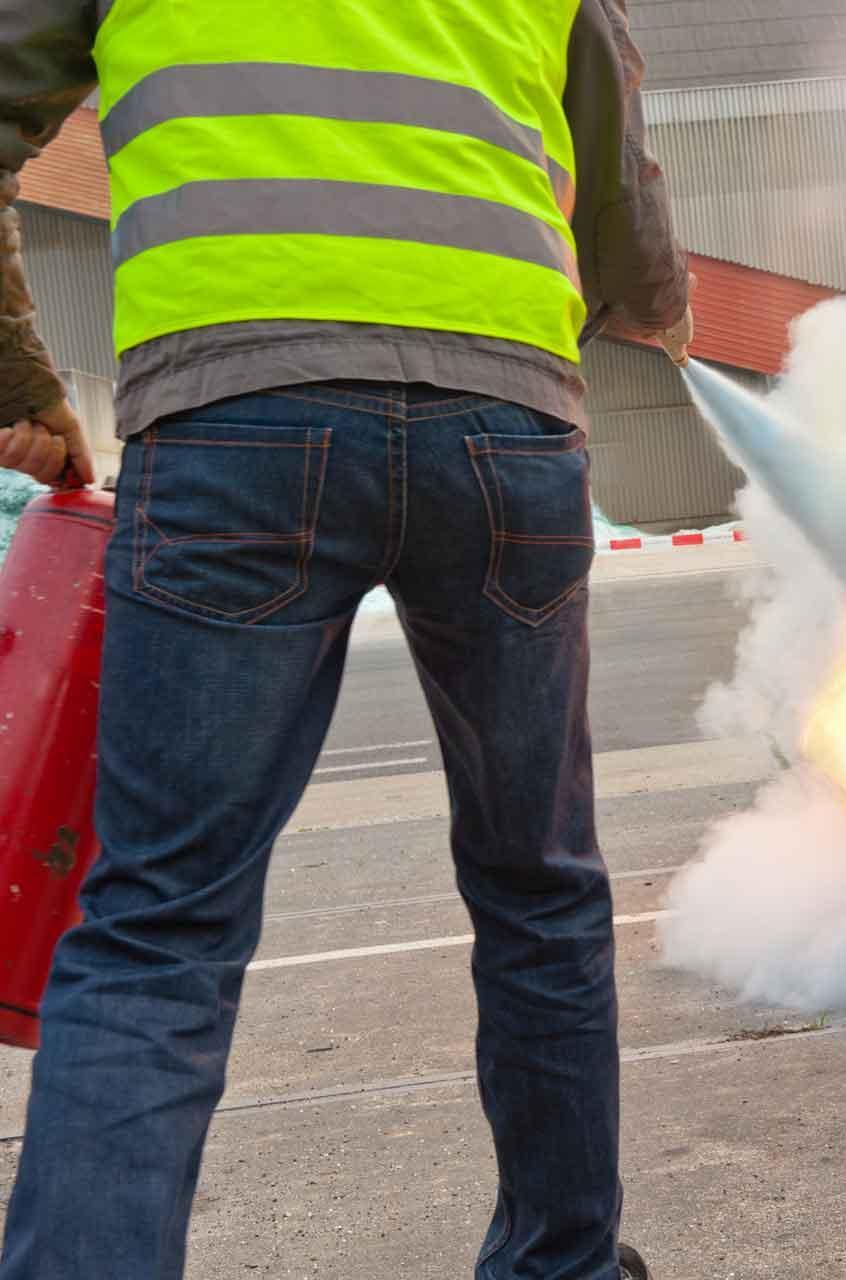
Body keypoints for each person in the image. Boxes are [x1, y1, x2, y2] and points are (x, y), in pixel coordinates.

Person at [0, 2, 693, 1277]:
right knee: (540, 884)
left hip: (233, 417)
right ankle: (563, 1263)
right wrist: (648, 305)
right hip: (503, 426)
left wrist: (12, 376)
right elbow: (623, 190)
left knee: (162, 926)